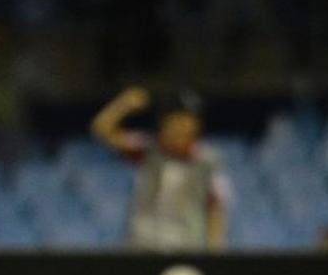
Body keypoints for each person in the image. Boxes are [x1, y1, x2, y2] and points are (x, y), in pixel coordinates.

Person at [91, 86, 229, 252]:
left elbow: (215, 207)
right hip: (142, 245)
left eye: (187, 120)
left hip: (185, 247)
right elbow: (101, 129)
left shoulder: (206, 162)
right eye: (176, 120)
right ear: (164, 122)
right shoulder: (148, 149)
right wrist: (123, 105)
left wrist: (215, 250)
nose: (181, 126)